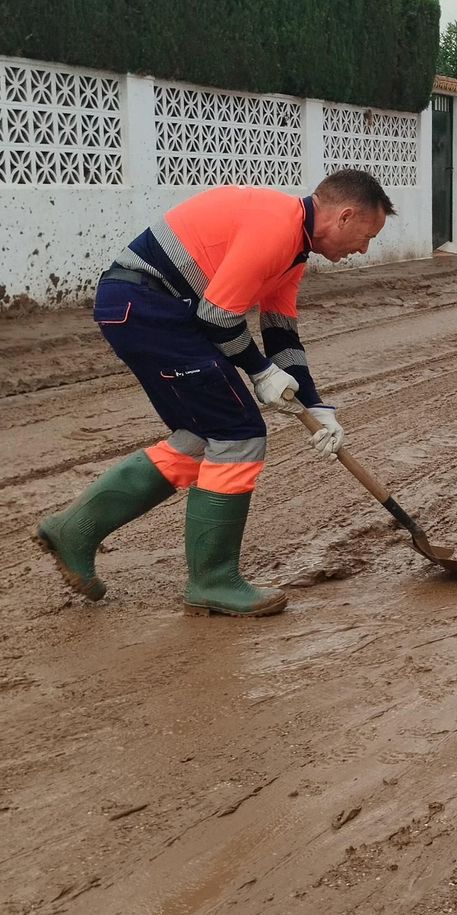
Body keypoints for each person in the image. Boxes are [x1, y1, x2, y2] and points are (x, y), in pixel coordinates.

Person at [37, 170, 393, 616]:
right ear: (344, 216)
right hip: (150, 306)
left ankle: (74, 530)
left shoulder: (293, 250)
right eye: (367, 236)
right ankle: (212, 580)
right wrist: (261, 374)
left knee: (202, 436)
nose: (363, 248)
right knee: (239, 432)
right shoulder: (276, 227)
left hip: (149, 309)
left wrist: (316, 405)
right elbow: (219, 318)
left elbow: (281, 334)